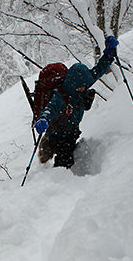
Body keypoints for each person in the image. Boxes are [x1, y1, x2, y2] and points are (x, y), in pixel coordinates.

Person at [34, 36, 119, 168]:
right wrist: (43, 119)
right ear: (73, 84)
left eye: (85, 87)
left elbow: (99, 70)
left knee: (69, 155)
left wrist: (108, 54)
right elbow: (50, 109)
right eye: (80, 87)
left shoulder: (84, 83)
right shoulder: (61, 96)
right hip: (59, 135)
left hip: (72, 132)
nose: (83, 89)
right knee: (65, 162)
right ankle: (56, 181)